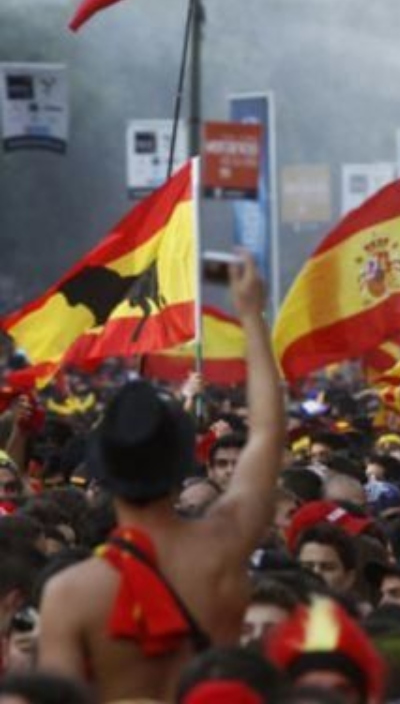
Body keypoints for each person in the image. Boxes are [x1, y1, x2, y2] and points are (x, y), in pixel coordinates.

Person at [37, 253, 285, 702]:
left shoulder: (70, 595)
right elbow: (268, 433)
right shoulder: (224, 545)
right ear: (182, 467)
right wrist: (251, 314)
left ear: (101, 475)